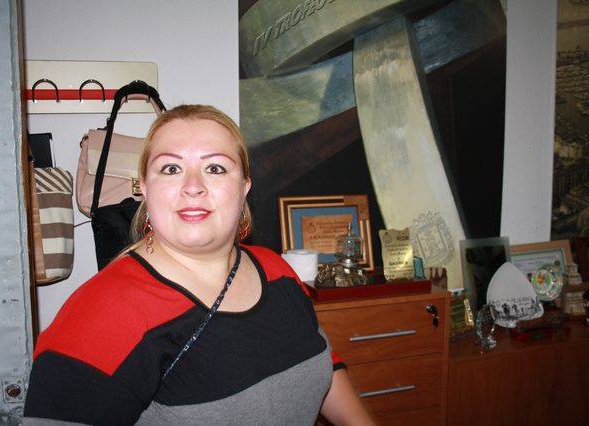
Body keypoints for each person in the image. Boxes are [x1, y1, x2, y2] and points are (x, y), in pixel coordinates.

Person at [23, 105, 374, 425]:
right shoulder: (100, 315)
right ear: (144, 186)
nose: (193, 186)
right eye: (171, 168)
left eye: (215, 168)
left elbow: (320, 361)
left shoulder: (276, 271)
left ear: (244, 186)